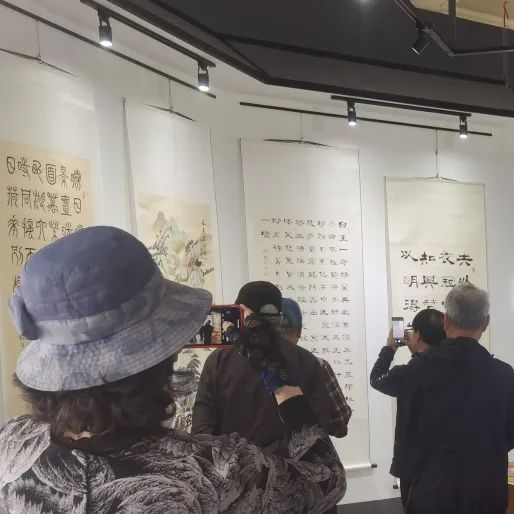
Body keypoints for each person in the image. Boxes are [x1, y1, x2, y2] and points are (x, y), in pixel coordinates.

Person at [0, 227, 346, 513]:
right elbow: (325, 478)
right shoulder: (213, 471)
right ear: (159, 356)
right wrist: (277, 378)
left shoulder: (10, 445)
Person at [373, 285, 514, 514]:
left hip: (433, 493)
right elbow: (509, 435)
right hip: (487, 493)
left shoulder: (417, 370)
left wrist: (390, 348)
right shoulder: (505, 374)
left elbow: (378, 379)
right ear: (486, 322)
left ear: (447, 320)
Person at [192, 281, 334, 455]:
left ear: (240, 314)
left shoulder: (217, 361)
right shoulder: (307, 362)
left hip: (227, 467)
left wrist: (234, 461)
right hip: (287, 468)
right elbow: (318, 428)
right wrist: (268, 460)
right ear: (279, 319)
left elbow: (201, 430)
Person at [370, 309, 446, 511]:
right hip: (447, 462)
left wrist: (390, 348)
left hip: (415, 465)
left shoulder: (409, 373)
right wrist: (417, 354)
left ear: (418, 335)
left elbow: (376, 379)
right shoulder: (455, 368)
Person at [279, 298, 352, 438]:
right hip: (307, 449)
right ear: (299, 331)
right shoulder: (318, 366)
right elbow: (340, 423)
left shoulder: (250, 366)